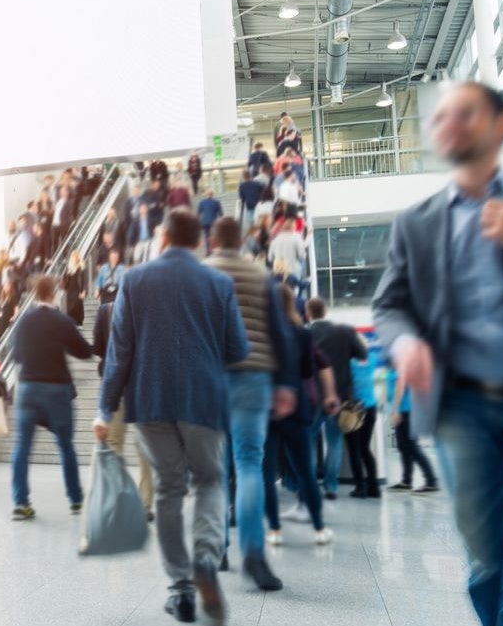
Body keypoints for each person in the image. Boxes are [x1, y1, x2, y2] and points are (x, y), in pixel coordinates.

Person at [373, 81, 503, 626]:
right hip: (461, 411)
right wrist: (406, 341)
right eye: (441, 118)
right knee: (488, 562)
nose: (450, 125)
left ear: (501, 124)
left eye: (466, 113)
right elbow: (390, 306)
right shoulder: (417, 223)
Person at [94, 211, 249, 624]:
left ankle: (180, 589)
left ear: (162, 237)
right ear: (199, 242)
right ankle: (205, 558)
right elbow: (237, 349)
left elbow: (120, 352)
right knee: (211, 480)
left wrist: (105, 408)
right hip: (203, 400)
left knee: (168, 490)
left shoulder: (134, 279)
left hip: (151, 400)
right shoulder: (219, 283)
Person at [204, 217, 293, 591]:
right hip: (253, 377)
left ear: (212, 240)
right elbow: (281, 330)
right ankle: (254, 555)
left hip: (210, 379)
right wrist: (286, 383)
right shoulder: (260, 275)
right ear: (241, 241)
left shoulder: (202, 273)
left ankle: (217, 549)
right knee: (249, 464)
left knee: (213, 469)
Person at [9, 276, 93, 519]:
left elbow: (16, 356)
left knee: (22, 447)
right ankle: (76, 499)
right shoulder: (61, 320)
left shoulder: (24, 322)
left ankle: (20, 503)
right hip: (56, 390)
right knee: (66, 445)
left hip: (27, 389)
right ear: (53, 293)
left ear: (36, 294)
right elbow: (84, 351)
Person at [263, 284, 339, 548]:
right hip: (297, 406)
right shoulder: (303, 335)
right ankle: (319, 528)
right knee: (305, 469)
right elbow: (308, 371)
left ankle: (274, 531)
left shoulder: (262, 335)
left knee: (267, 471)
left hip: (267, 407)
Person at [92, 281, 155, 521]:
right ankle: (145, 504)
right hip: (141, 389)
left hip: (114, 387)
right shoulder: (148, 313)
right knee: (145, 450)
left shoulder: (105, 311)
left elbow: (98, 347)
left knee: (114, 445)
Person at [305, 297, 369, 500]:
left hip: (312, 397)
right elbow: (362, 353)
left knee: (309, 441)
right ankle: (331, 487)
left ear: (308, 313)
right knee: (334, 441)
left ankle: (310, 486)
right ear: (325, 311)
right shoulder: (344, 331)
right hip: (339, 396)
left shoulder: (304, 334)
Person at [388, 373, 438, 493]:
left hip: (406, 411)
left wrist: (396, 410)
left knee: (411, 446)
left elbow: (400, 386)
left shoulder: (401, 366)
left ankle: (431, 481)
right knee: (403, 446)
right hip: (405, 410)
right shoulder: (395, 366)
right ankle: (406, 480)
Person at [345, 356, 381, 499]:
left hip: (354, 409)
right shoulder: (372, 360)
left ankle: (360, 488)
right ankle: (374, 487)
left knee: (354, 450)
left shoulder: (349, 363)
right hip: (371, 408)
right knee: (365, 449)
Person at [63, 250, 87, 326]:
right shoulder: (68, 270)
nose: (75, 258)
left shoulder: (81, 268)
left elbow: (84, 281)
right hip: (70, 293)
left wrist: (84, 291)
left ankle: (78, 325)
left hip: (78, 292)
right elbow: (64, 284)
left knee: (78, 311)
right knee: (70, 310)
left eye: (77, 256)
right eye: (74, 257)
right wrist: (67, 274)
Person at [0, 277, 20, 342]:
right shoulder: (1, 298)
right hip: (0, 321)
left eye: (8, 286)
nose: (7, 287)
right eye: (5, 286)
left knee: (3, 337)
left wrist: (14, 316)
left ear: (11, 287)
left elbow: (16, 308)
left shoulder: (13, 297)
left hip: (6, 320)